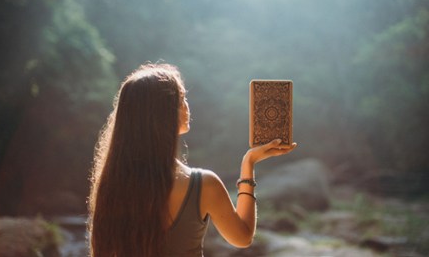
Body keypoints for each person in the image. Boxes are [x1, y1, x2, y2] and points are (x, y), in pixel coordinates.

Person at [88, 62, 297, 257]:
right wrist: (248, 163)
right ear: (163, 114)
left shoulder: (112, 186)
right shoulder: (203, 184)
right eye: (181, 99)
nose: (187, 106)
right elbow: (242, 237)